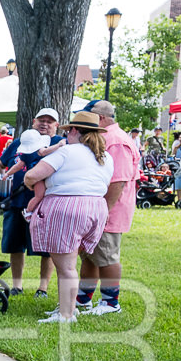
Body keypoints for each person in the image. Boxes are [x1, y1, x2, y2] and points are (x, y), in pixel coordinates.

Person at [23, 111, 113, 324]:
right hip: (96, 208)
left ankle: (66, 315)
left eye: (68, 132)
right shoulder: (105, 156)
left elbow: (31, 175)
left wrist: (34, 188)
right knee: (70, 262)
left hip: (67, 207)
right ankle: (68, 308)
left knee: (66, 267)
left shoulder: (67, 152)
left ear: (73, 131)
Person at [75, 100, 138, 316]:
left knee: (107, 256)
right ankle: (83, 300)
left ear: (100, 117)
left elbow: (117, 181)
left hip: (109, 210)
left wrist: (103, 213)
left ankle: (111, 303)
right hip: (97, 208)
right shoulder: (106, 137)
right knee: (90, 255)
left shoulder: (116, 141)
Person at [0, 107, 62, 296]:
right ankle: (17, 286)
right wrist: (0, 186)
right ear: (33, 121)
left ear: (56, 125)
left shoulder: (59, 144)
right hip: (15, 202)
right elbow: (0, 165)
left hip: (44, 205)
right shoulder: (20, 142)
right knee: (15, 246)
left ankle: (43, 288)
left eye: (50, 121)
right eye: (41, 120)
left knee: (46, 249)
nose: (45, 124)